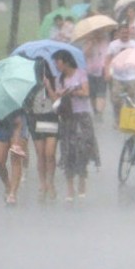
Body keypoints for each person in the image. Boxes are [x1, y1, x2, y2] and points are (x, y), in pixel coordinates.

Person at [50, 49, 100, 202]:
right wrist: (55, 91)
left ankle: (82, 181)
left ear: (66, 62)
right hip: (67, 117)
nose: (56, 66)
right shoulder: (60, 79)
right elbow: (56, 99)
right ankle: (70, 187)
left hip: (82, 116)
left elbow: (86, 92)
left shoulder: (81, 73)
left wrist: (71, 91)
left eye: (58, 62)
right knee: (68, 151)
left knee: (83, 148)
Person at [27, 59, 59, 202]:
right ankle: (42, 183)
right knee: (40, 154)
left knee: (50, 153)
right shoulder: (29, 83)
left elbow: (56, 101)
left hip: (50, 117)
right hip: (36, 118)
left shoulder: (53, 80)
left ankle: (51, 182)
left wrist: (49, 87)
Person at [104, 24, 135, 125]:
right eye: (123, 32)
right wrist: (107, 72)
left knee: (131, 101)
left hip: (132, 76)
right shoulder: (113, 45)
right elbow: (108, 60)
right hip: (117, 77)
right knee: (116, 100)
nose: (125, 34)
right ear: (119, 33)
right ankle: (117, 119)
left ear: (129, 33)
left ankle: (130, 121)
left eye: (127, 32)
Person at [0, 110, 28, 205]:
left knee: (16, 158)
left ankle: (13, 193)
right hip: (1, 123)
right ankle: (8, 185)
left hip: (18, 123)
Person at [82, 31, 110, 122]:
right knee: (92, 95)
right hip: (90, 71)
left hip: (102, 70)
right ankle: (95, 111)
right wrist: (91, 44)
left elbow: (107, 56)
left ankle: (99, 113)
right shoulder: (87, 42)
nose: (98, 34)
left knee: (101, 93)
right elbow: (85, 55)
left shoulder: (105, 42)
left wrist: (108, 71)